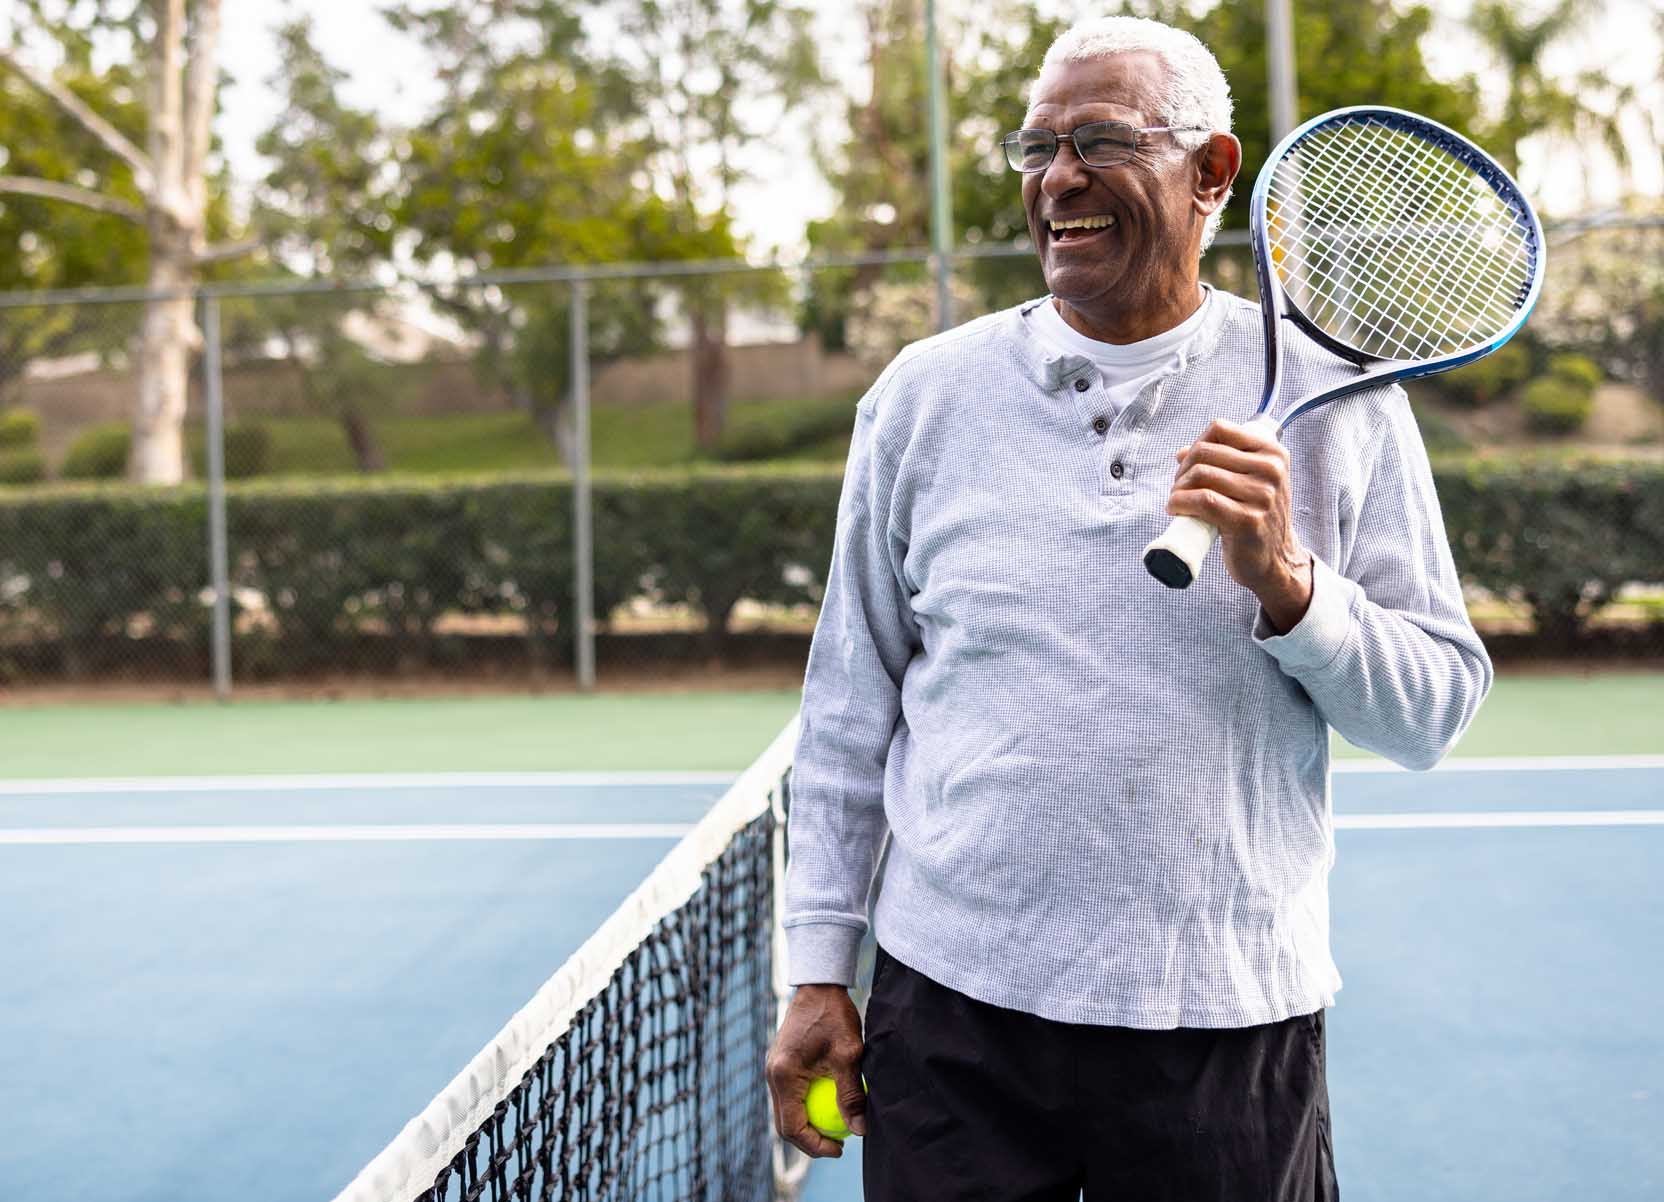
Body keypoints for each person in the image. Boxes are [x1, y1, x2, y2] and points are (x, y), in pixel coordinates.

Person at [765, 15, 1491, 1201]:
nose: (1058, 179)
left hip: (1224, 1016)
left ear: (1211, 171)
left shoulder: (1339, 400)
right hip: (952, 1015)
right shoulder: (921, 397)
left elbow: (1432, 711)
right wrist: (814, 968)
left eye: (1099, 140)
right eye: (1036, 147)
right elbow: (849, 707)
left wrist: (1288, 587)